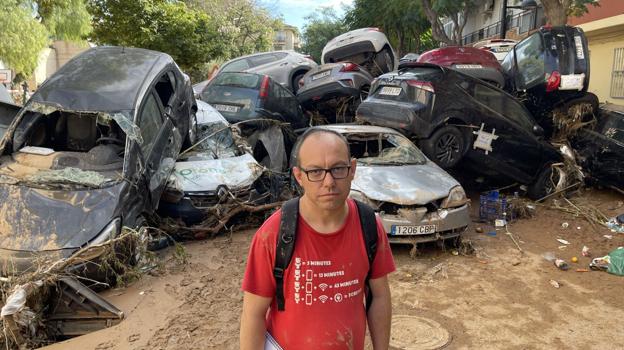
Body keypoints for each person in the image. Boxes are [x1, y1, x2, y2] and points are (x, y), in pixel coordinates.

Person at [240, 127, 396, 350]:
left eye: (338, 168)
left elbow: (379, 297)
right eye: (315, 172)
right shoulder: (273, 234)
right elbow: (253, 315)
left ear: (352, 169)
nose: (329, 181)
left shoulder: (368, 226)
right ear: (299, 176)